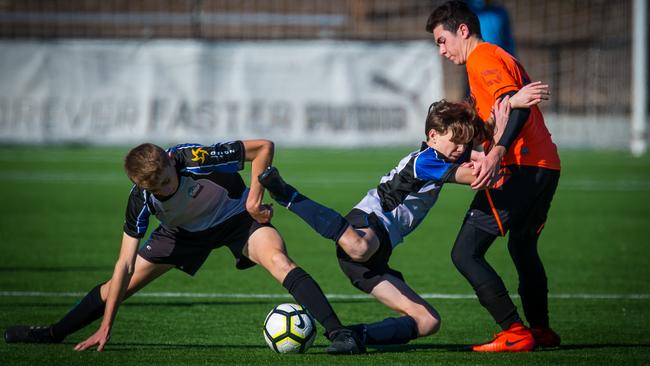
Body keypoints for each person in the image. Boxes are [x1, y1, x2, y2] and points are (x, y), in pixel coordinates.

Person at [4, 139, 364, 355]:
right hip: (182, 235)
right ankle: (53, 333)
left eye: (166, 177)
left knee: (278, 261)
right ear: (143, 185)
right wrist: (107, 325)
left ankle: (339, 333)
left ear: (168, 159)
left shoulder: (193, 156)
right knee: (120, 288)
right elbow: (123, 264)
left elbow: (263, 148)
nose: (165, 185)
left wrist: (255, 198)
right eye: (157, 186)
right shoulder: (141, 198)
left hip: (236, 218)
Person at [257, 89, 544, 347]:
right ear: (432, 136)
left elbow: (483, 130)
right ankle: (288, 196)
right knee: (358, 247)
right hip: (367, 222)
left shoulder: (451, 150)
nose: (460, 148)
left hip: (372, 260)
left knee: (428, 321)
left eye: (464, 143)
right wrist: (495, 151)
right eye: (455, 142)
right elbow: (478, 177)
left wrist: (513, 103)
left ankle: (352, 336)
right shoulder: (427, 160)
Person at [426, 0, 562, 352]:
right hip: (545, 165)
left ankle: (514, 331)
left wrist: (498, 152)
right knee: (521, 246)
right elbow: (510, 106)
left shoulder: (482, 58)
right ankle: (541, 330)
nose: (441, 50)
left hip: (521, 165)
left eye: (442, 40)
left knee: (465, 253)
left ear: (463, 31)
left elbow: (513, 108)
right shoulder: (493, 56)